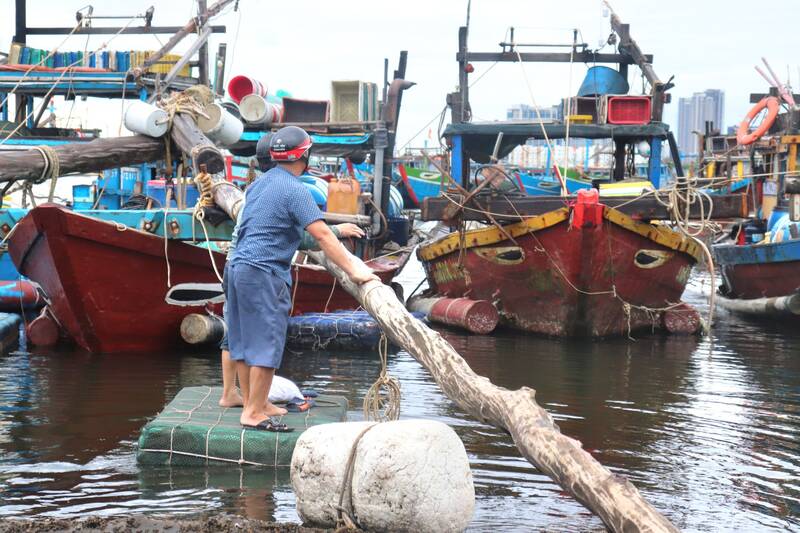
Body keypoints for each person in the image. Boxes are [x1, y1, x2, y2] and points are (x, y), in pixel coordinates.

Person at [226, 126, 378, 430]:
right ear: (305, 155)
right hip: (264, 272)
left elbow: (284, 231)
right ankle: (253, 413)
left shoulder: (258, 184)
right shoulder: (295, 190)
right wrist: (355, 270)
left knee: (243, 342)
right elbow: (321, 234)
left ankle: (258, 402)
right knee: (267, 344)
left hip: (237, 268)